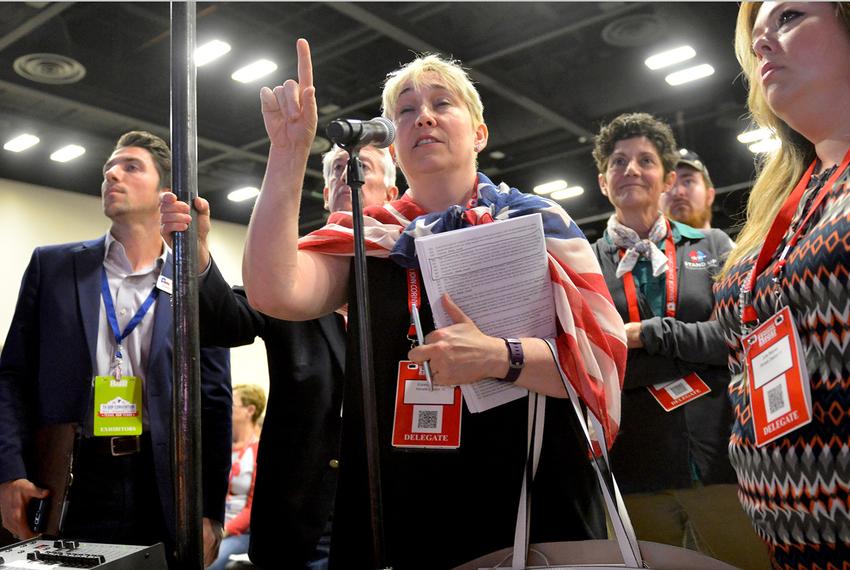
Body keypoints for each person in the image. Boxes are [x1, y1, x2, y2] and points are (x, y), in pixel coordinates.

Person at [240, 39, 627, 568]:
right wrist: (287, 153)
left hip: (529, 499)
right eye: (405, 111)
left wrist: (501, 357)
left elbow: (599, 365)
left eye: (442, 104)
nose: (423, 117)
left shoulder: (539, 224)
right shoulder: (367, 237)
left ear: (479, 132)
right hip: (400, 507)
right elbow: (273, 289)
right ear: (393, 148)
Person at [159, 142, 398, 569]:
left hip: (384, 514)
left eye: (362, 167)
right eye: (339, 169)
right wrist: (195, 252)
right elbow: (225, 320)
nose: (348, 175)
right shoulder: (292, 268)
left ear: (394, 194)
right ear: (325, 195)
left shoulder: (408, 276)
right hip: (298, 517)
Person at [0, 131, 231, 565]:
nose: (111, 173)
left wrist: (210, 511)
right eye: (110, 166)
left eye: (130, 166)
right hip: (69, 474)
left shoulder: (191, 281)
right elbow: (11, 376)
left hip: (162, 479)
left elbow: (214, 401)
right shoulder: (53, 267)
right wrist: (7, 472)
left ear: (167, 193)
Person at [590, 112, 768, 569]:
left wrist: (646, 335)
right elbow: (595, 362)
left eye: (645, 160)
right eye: (618, 161)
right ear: (602, 180)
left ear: (667, 178)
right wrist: (696, 356)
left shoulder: (711, 246)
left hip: (719, 460)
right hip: (633, 465)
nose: (631, 169)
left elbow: (737, 336)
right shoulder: (585, 264)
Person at [713, 3, 850, 567]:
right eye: (757, 36)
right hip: (787, 536)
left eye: (789, 17)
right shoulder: (789, 195)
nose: (763, 44)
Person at [208, 384, 265, 570]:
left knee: (209, 562)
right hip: (216, 524)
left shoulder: (259, 451)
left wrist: (224, 530)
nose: (228, 409)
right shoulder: (223, 447)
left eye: (233, 404)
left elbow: (254, 508)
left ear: (250, 411)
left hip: (241, 533)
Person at [660, 148, 717, 230]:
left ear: (709, 195)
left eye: (688, 182)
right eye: (669, 183)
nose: (678, 192)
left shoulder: (728, 242)